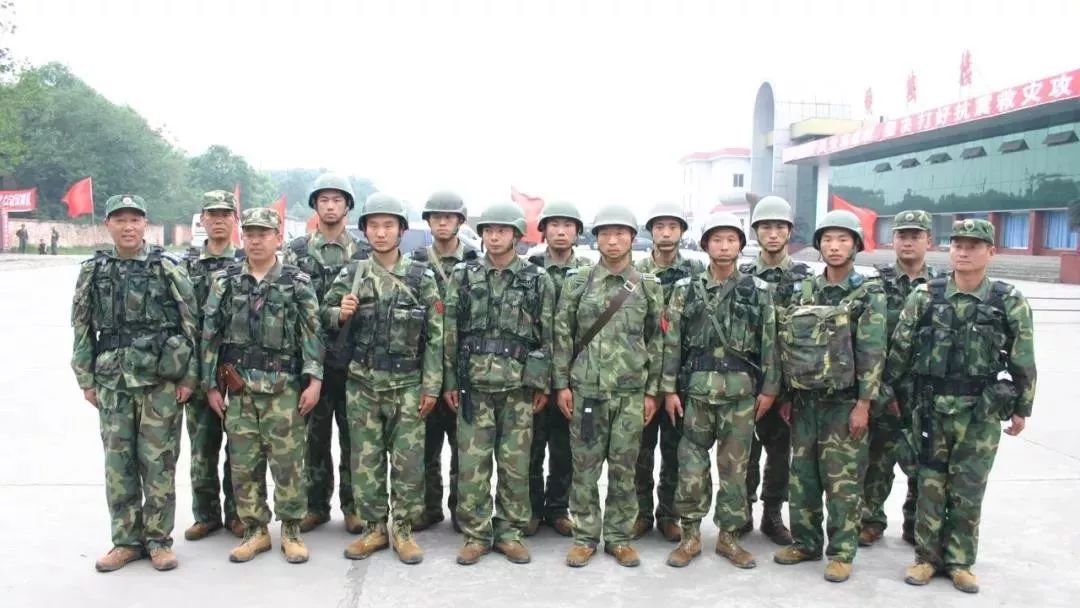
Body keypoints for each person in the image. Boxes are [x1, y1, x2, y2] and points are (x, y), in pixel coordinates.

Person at [887, 218, 1036, 594]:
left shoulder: (1008, 300)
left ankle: (960, 562)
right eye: (958, 245)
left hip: (980, 412)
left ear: (991, 251)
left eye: (973, 246)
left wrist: (1023, 408)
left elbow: (1023, 358)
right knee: (929, 485)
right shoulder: (925, 296)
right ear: (949, 249)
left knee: (968, 489)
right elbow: (900, 353)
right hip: (930, 408)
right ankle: (926, 558)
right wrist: (893, 401)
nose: (964, 252)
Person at [70, 194, 199, 572]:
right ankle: (125, 541)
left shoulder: (167, 267)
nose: (128, 227)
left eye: (134, 220)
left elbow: (191, 323)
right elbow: (81, 325)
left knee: (159, 462)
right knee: (118, 463)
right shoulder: (93, 270)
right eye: (120, 220)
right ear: (108, 224)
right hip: (113, 380)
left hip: (160, 380)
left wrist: (189, 376)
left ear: (145, 224)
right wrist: (85, 378)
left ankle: (158, 540)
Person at [322, 194, 443, 564]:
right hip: (362, 384)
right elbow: (321, 315)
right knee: (366, 460)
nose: (380, 232)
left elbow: (437, 335)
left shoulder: (421, 277)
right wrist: (339, 313)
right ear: (365, 231)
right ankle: (374, 528)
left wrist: (431, 385)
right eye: (373, 225)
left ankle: (402, 529)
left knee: (408, 463)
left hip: (407, 385)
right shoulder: (353, 273)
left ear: (401, 230)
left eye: (388, 225)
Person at [201, 207, 324, 565]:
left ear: (278, 238)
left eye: (263, 234)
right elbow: (210, 335)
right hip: (240, 390)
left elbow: (312, 333)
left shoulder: (296, 282)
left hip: (283, 388)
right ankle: (255, 530)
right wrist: (210, 385)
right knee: (243, 463)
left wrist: (314, 380)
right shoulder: (225, 281)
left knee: (288, 463)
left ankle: (291, 530)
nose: (255, 241)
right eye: (250, 234)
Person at [772, 209, 886, 584]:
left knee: (842, 482)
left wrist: (864, 404)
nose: (834, 247)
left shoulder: (868, 293)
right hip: (805, 401)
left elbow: (872, 352)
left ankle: (840, 552)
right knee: (802, 477)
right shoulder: (804, 290)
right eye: (827, 240)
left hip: (844, 403)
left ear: (856, 245)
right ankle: (805, 542)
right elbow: (789, 345)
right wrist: (787, 395)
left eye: (842, 239)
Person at [663, 213, 780, 570]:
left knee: (735, 470)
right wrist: (669, 389)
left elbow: (769, 342)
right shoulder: (685, 289)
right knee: (691, 467)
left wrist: (770, 389)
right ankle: (690, 536)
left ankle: (729, 537)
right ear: (705, 245)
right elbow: (672, 342)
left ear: (741, 246)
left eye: (731, 239)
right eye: (717, 239)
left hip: (740, 396)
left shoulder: (759, 291)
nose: (724, 246)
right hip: (696, 393)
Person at [443, 203, 555, 566]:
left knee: (515, 465)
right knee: (472, 465)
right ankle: (476, 533)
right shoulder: (464, 275)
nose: (494, 237)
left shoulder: (536, 279)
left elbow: (548, 335)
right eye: (488, 230)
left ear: (517, 236)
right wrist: (450, 381)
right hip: (474, 386)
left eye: (502, 231)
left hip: (517, 388)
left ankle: (509, 532)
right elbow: (449, 332)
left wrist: (542, 384)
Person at [554, 205, 664, 568]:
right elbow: (562, 335)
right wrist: (561, 385)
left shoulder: (648, 285)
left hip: (630, 394)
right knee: (585, 469)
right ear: (596, 239)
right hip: (587, 392)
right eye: (605, 233)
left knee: (623, 468)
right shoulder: (579, 282)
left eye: (620, 234)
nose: (612, 240)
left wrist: (652, 392)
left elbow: (657, 341)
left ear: (632, 238)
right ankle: (585, 536)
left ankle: (618, 537)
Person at [284, 172, 365, 534]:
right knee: (312, 439)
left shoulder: (363, 252)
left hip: (353, 359)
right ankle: (315, 505)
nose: (330, 206)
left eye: (337, 200)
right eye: (324, 200)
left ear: (347, 206)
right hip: (310, 358)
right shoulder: (297, 251)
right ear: (315, 205)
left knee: (355, 439)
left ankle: (353, 506)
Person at [859, 209, 942, 548]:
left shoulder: (942, 285)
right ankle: (870, 520)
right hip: (884, 386)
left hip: (925, 390)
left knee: (924, 460)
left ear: (928, 241)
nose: (908, 242)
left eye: (916, 236)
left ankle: (914, 522)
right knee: (877, 458)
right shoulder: (875, 283)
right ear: (892, 240)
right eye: (902, 236)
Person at [739, 195, 809, 545]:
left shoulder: (804, 278)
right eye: (765, 227)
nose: (772, 233)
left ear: (789, 232)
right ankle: (742, 510)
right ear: (756, 232)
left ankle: (772, 514)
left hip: (789, 383)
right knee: (744, 452)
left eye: (779, 227)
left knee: (781, 454)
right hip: (749, 378)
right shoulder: (743, 277)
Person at [632, 201, 704, 542]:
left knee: (675, 452)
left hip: (680, 374)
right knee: (639, 451)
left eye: (672, 226)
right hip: (642, 374)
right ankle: (641, 513)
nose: (665, 233)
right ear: (650, 232)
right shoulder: (635, 271)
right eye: (659, 227)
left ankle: (668, 514)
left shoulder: (695, 270)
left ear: (682, 232)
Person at [182, 191, 250, 541]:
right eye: (213, 214)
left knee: (239, 446)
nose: (219, 220)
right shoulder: (186, 265)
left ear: (235, 219)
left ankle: (237, 514)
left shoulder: (246, 262)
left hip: (238, 367)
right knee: (202, 446)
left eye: (226, 214)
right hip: (198, 366)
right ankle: (206, 514)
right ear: (203, 219)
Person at [410, 190, 478, 533]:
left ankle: (461, 510)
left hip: (466, 362)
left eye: (448, 217)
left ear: (460, 221)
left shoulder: (476, 261)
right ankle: (428, 507)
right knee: (425, 443)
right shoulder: (416, 262)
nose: (441, 223)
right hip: (424, 361)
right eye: (435, 217)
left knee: (464, 446)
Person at [524, 200, 592, 538]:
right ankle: (532, 509)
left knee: (565, 448)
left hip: (574, 374)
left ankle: (558, 508)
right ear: (544, 230)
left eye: (568, 225)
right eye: (554, 225)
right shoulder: (529, 268)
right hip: (535, 372)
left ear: (577, 232)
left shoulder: (589, 272)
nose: (561, 231)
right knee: (531, 446)